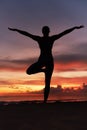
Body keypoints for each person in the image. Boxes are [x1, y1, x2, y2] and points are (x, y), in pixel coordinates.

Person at [8, 25, 84, 102]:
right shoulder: (46, 39)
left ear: (44, 32)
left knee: (47, 82)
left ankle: (45, 101)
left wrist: (16, 30)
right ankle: (43, 72)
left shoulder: (44, 39)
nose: (46, 32)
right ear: (47, 31)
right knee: (32, 73)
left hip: (47, 61)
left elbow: (27, 34)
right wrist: (74, 28)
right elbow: (63, 33)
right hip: (44, 61)